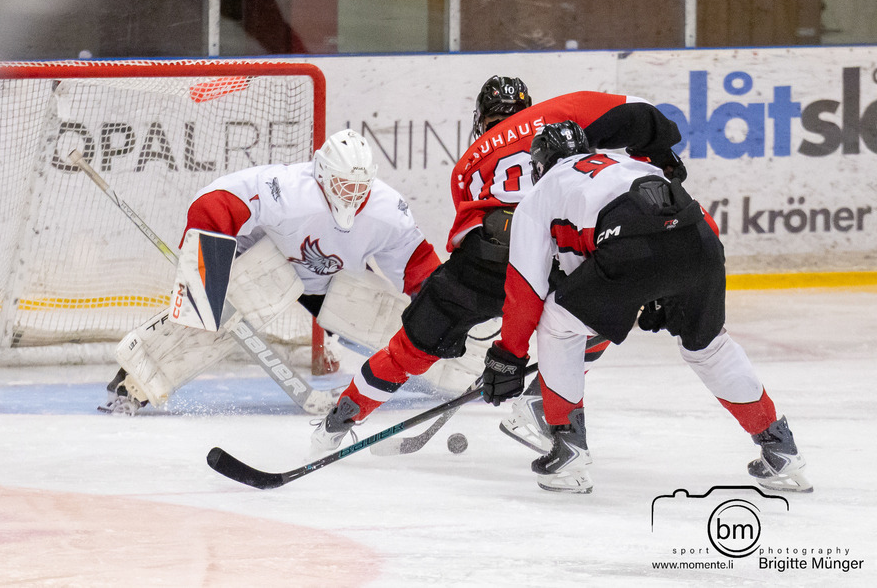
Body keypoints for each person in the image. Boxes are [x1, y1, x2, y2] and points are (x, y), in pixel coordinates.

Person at [311, 76, 685, 452]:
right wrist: (660, 152)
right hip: (554, 254)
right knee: (596, 320)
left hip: (482, 261)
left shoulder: (465, 165)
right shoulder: (559, 112)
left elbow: (468, 223)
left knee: (408, 350)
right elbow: (638, 108)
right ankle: (538, 403)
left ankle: (337, 422)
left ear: (481, 119)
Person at [479, 120, 812, 494]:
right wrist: (663, 287)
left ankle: (568, 449)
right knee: (710, 348)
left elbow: (525, 291)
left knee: (558, 323)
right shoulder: (628, 163)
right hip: (701, 243)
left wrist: (508, 355)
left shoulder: (540, 196)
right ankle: (780, 448)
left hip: (632, 247)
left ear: (540, 164)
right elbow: (697, 224)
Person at [101, 128, 442, 414]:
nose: (352, 194)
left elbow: (417, 262)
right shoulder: (288, 189)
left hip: (335, 279)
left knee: (415, 330)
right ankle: (134, 382)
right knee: (203, 321)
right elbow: (214, 202)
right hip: (268, 264)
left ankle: (458, 375)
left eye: (360, 185)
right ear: (322, 173)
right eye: (343, 183)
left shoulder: (387, 209)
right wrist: (206, 273)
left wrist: (446, 310)